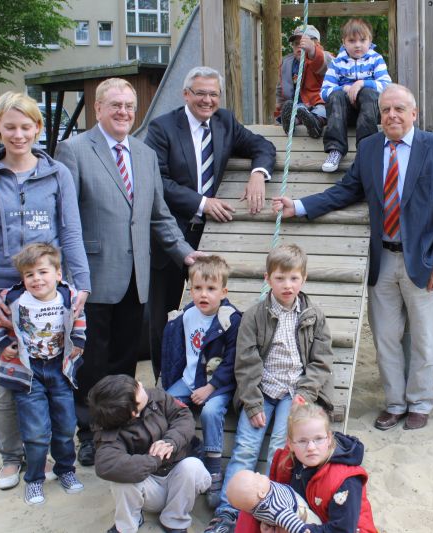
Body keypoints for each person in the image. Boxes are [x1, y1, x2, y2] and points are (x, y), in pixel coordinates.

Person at [274, 84, 433, 431]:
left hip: (423, 260)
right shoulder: (371, 147)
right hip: (383, 260)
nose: (392, 115)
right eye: (386, 110)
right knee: (386, 337)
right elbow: (346, 190)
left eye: (399, 109)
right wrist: (299, 206)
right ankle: (395, 403)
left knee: (423, 337)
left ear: (414, 114)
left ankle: (419, 403)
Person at [55, 78, 202, 467]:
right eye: (115, 105)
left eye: (130, 106)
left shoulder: (143, 153)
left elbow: (159, 216)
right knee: (91, 362)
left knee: (123, 361)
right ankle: (89, 432)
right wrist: (68, 276)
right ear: (98, 108)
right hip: (92, 277)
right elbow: (65, 219)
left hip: (136, 276)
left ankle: (118, 426)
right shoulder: (72, 151)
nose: (123, 112)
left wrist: (187, 255)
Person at [0, 91, 91, 490]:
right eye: (10, 127)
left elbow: (70, 231)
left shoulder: (57, 175)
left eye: (26, 127)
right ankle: (11, 457)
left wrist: (80, 283)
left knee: (54, 373)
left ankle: (52, 453)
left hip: (49, 290)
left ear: (37, 128)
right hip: (3, 292)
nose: (18, 135)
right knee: (8, 375)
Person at [145, 66, 275, 381]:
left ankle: (205, 378)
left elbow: (263, 146)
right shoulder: (162, 129)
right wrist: (202, 203)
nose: (207, 100)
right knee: (162, 316)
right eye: (200, 93)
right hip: (170, 236)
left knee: (209, 309)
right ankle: (166, 381)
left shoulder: (224, 122)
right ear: (186, 94)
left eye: (213, 94)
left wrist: (258, 173)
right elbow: (157, 180)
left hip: (213, 237)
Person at [205, 244, 334, 533]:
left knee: (281, 447)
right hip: (262, 391)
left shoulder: (314, 315)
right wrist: (251, 402)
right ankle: (228, 511)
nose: (287, 285)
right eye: (280, 278)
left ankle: (270, 508)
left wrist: (307, 392)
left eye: (293, 278)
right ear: (267, 279)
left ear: (304, 279)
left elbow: (321, 361)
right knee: (245, 448)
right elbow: (246, 363)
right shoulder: (254, 315)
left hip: (294, 392)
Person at [0, 243, 86, 505]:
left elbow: (79, 319)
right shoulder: (13, 298)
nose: (37, 279)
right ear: (23, 278)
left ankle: (66, 471)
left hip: (59, 370)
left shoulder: (69, 296)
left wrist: (78, 343)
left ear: (58, 274)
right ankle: (34, 480)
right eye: (29, 274)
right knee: (36, 431)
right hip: (28, 373)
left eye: (43, 272)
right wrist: (3, 344)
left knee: (65, 426)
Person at [159, 255, 242, 502]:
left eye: (211, 289)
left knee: (210, 412)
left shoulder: (230, 320)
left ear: (223, 291)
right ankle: (185, 449)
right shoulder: (186, 315)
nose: (203, 295)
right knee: (164, 404)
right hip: (188, 379)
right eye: (197, 288)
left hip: (218, 383)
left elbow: (232, 361)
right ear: (190, 288)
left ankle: (214, 470)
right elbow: (175, 350)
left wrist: (210, 387)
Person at [89, 375, 210, 533]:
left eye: (135, 383)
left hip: (180, 482)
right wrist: (155, 459)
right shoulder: (109, 428)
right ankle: (126, 525)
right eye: (137, 389)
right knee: (121, 479)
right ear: (133, 411)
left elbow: (184, 417)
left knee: (192, 466)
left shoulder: (157, 397)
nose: (140, 383)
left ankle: (174, 521)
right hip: (150, 487)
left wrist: (170, 442)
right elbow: (107, 464)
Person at [233, 401, 377, 533]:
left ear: (329, 438)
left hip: (344, 529)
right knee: (251, 507)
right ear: (290, 443)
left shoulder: (345, 479)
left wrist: (300, 529)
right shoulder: (288, 463)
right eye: (302, 441)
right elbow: (279, 501)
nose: (311, 447)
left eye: (318, 439)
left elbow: (342, 530)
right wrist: (270, 524)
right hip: (306, 520)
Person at [319, 18, 391, 173]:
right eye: (352, 41)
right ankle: (335, 150)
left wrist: (362, 83)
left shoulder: (375, 59)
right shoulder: (337, 63)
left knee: (369, 92)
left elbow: (386, 85)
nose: (358, 45)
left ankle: (366, 150)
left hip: (370, 112)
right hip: (344, 115)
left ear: (370, 40)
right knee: (335, 95)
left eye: (362, 40)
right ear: (344, 42)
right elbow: (324, 92)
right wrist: (345, 88)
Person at [276, 25, 333, 139]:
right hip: (299, 105)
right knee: (296, 110)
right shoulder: (287, 63)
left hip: (318, 102)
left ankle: (315, 124)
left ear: (316, 44)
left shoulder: (324, 57)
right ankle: (291, 123)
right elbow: (281, 87)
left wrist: (312, 51)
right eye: (296, 44)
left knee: (322, 111)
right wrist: (279, 104)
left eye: (303, 43)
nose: (299, 47)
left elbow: (323, 63)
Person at [227, 470, 320, 533]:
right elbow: (290, 520)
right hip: (299, 513)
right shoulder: (275, 507)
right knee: (314, 522)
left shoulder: (255, 502)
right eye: (257, 477)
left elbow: (264, 515)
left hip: (284, 512)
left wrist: (265, 523)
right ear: (262, 493)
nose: (258, 473)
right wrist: (303, 530)